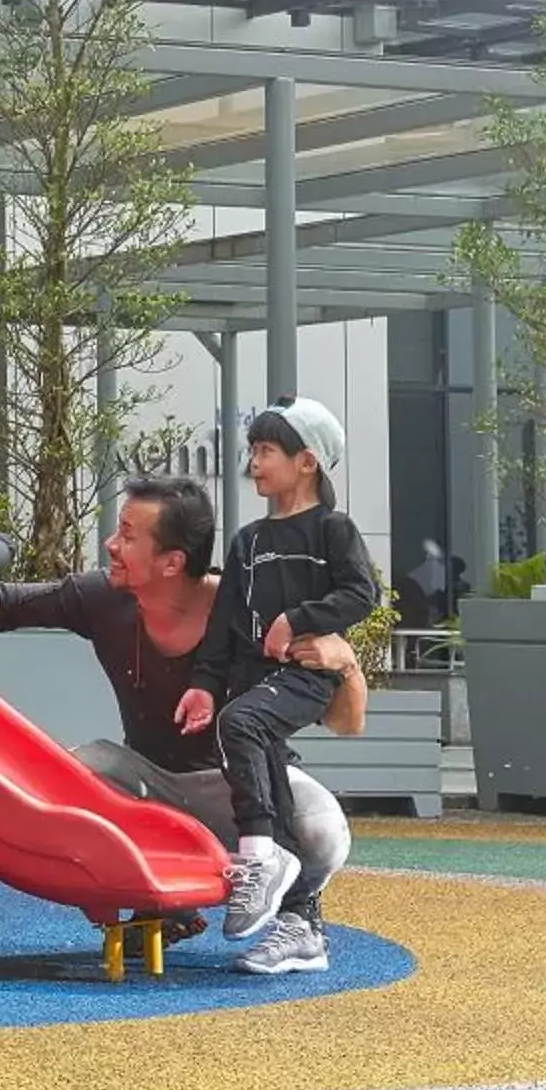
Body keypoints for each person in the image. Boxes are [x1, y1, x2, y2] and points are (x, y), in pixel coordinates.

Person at [0, 473, 367, 976]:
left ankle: (300, 922)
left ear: (172, 562)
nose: (111, 544)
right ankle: (166, 905)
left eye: (127, 534)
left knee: (321, 829)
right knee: (82, 771)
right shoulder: (104, 598)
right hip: (154, 779)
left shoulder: (248, 608)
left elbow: (346, 724)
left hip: (239, 789)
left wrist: (345, 664)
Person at [173, 396, 379, 946]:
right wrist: (202, 686)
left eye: (265, 451)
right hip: (250, 686)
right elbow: (223, 629)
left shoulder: (333, 530)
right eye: (253, 451)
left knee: (243, 727)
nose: (254, 464)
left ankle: (259, 857)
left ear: (306, 462)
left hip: (304, 677)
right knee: (266, 771)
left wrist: (299, 620)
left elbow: (363, 593)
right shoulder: (249, 542)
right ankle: (299, 925)